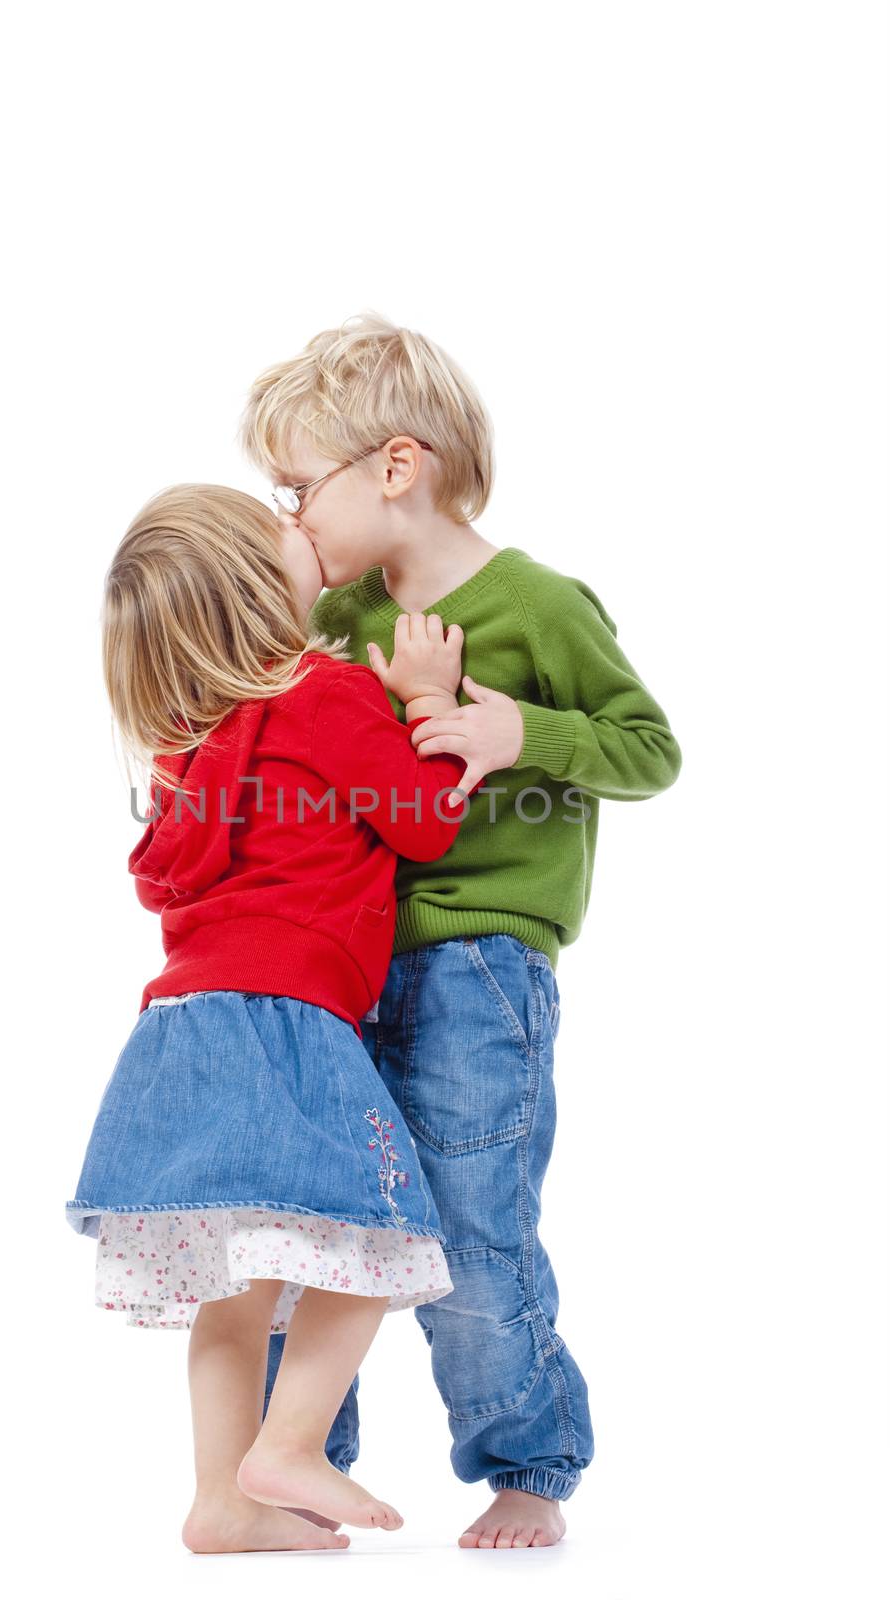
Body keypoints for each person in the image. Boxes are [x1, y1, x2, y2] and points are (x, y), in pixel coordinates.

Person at [239, 313, 683, 1550]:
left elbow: (648, 749)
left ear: (395, 466)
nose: (288, 516)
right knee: (315, 1211)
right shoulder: (338, 626)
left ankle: (528, 1463)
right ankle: (293, 1464)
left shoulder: (537, 603)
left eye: (297, 486)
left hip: (480, 962)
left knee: (468, 1216)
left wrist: (516, 737)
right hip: (343, 961)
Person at [64, 483, 485, 1555]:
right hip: (289, 1018)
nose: (302, 524)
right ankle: (289, 1443)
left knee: (236, 1291)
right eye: (283, 529)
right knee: (379, 1230)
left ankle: (222, 1499)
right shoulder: (326, 687)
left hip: (180, 1032)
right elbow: (424, 825)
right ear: (259, 588)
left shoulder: (178, 745)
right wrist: (427, 700)